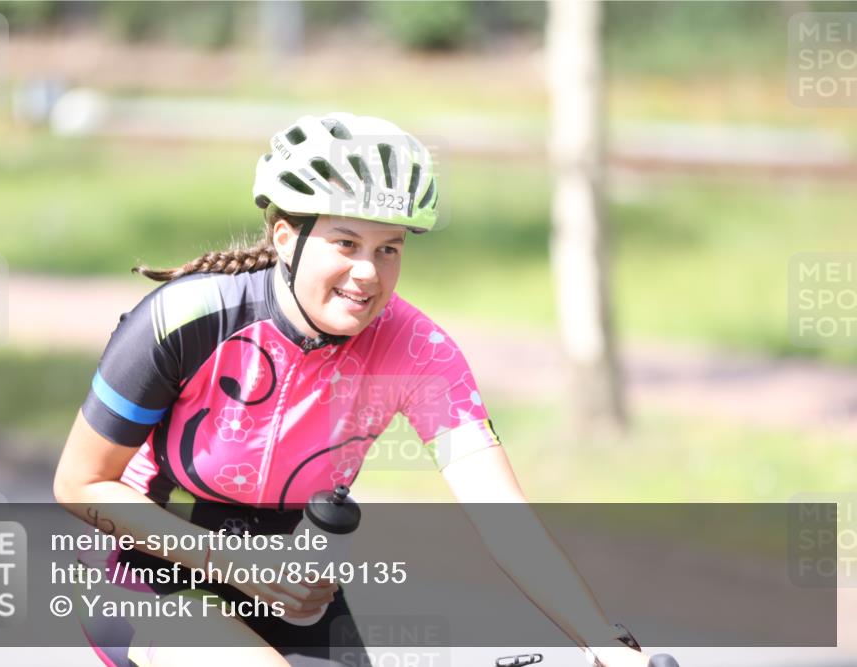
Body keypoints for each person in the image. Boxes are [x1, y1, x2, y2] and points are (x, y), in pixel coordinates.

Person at [53, 112, 651, 667]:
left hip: (292, 587)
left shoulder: (419, 351)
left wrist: (604, 643)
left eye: (389, 249)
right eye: (346, 244)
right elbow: (79, 483)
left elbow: (501, 515)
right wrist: (236, 562)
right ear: (285, 237)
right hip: (144, 569)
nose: (368, 272)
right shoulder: (186, 317)